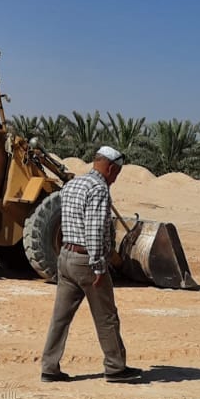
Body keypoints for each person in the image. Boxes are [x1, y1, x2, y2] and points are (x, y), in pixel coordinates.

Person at [40, 145, 143, 384]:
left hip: (65, 257)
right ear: (110, 168)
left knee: (60, 318)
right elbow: (94, 230)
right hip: (86, 261)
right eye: (116, 174)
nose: (115, 179)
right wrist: (98, 266)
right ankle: (115, 368)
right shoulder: (99, 188)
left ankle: (49, 368)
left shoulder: (72, 184)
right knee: (106, 316)